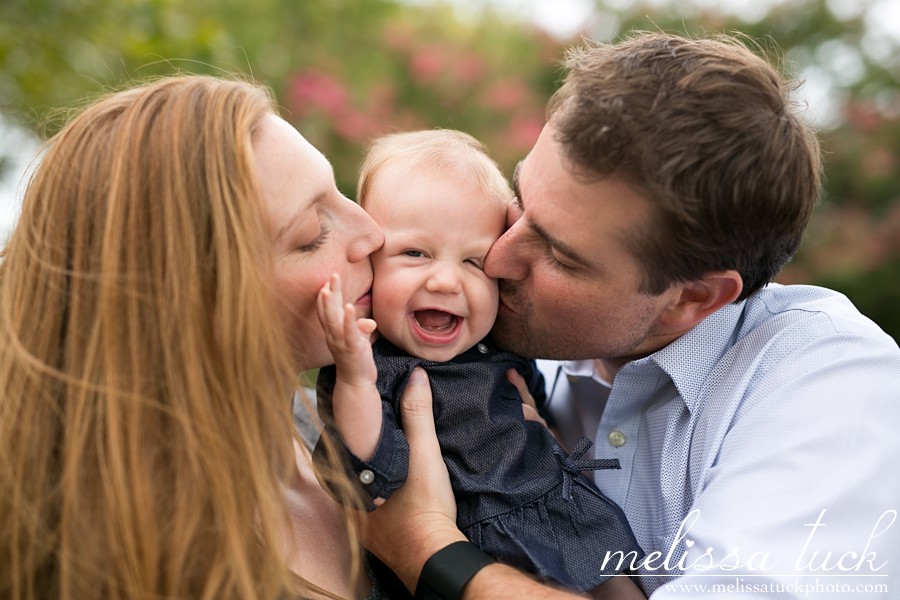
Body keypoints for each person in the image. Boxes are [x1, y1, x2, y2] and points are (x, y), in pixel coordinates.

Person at [361, 31, 900, 599]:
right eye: (519, 202)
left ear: (692, 299)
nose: (498, 256)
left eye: (559, 255)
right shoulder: (500, 357)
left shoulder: (831, 387)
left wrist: (427, 547)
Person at [0, 74, 393, 599]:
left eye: (339, 191)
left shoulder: (343, 421)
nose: (372, 234)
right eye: (311, 235)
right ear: (192, 304)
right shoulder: (130, 566)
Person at [313, 129, 644, 598]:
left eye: (473, 261)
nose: (447, 280)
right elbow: (364, 458)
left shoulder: (497, 343)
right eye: (415, 253)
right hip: (472, 542)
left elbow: (536, 407)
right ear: (370, 263)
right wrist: (354, 377)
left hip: (565, 511)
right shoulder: (369, 367)